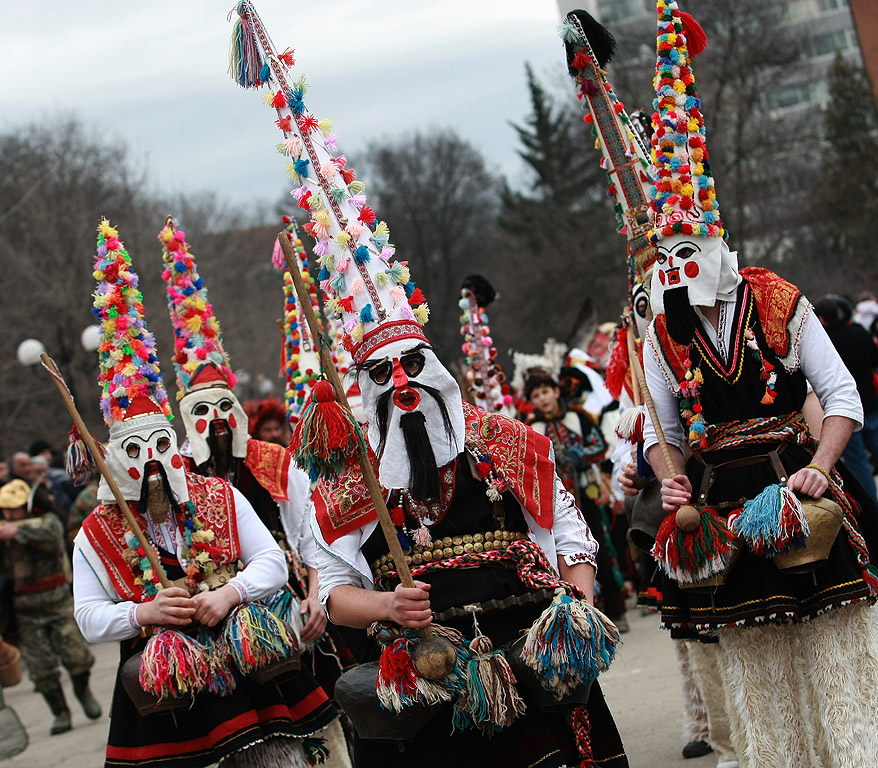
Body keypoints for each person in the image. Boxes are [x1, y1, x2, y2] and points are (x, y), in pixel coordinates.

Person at [640, 4, 878, 765]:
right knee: (757, 676)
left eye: (687, 252)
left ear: (712, 245)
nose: (675, 269)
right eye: (664, 257)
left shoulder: (775, 297)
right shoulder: (659, 331)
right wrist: (669, 481)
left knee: (835, 662)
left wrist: (823, 464)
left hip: (797, 490)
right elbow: (662, 433)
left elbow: (843, 398)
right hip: (723, 513)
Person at [72, 218, 336, 768]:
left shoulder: (217, 494)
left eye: (160, 447)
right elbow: (89, 617)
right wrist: (142, 614)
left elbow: (269, 560)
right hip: (164, 688)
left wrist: (230, 594)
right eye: (136, 453)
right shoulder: (96, 533)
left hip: (247, 665)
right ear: (118, 459)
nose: (151, 465)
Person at [158, 217, 352, 765]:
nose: (219, 421)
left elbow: (310, 536)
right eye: (204, 412)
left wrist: (317, 594)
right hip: (211, 616)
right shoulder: (176, 480)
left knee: (318, 723)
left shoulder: (272, 462)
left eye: (225, 407)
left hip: (288, 607)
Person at [523, 366, 629, 630]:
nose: (542, 398)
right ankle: (583, 608)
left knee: (599, 546)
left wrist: (580, 455)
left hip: (586, 492)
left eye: (546, 391)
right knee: (565, 554)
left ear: (556, 391)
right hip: (553, 502)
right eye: (536, 395)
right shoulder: (530, 428)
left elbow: (600, 445)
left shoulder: (578, 417)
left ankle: (616, 608)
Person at [0, 478, 99, 735]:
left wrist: (19, 532)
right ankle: (60, 712)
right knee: (41, 669)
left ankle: (82, 690)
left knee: (78, 657)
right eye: (5, 510)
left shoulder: (47, 522)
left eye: (14, 509)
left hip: (57, 602)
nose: (9, 515)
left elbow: (54, 536)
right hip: (25, 610)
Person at [814, 295, 878, 501]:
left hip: (847, 411)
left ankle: (872, 506)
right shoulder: (859, 332)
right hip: (870, 402)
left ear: (821, 318)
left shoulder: (827, 343)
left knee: (858, 462)